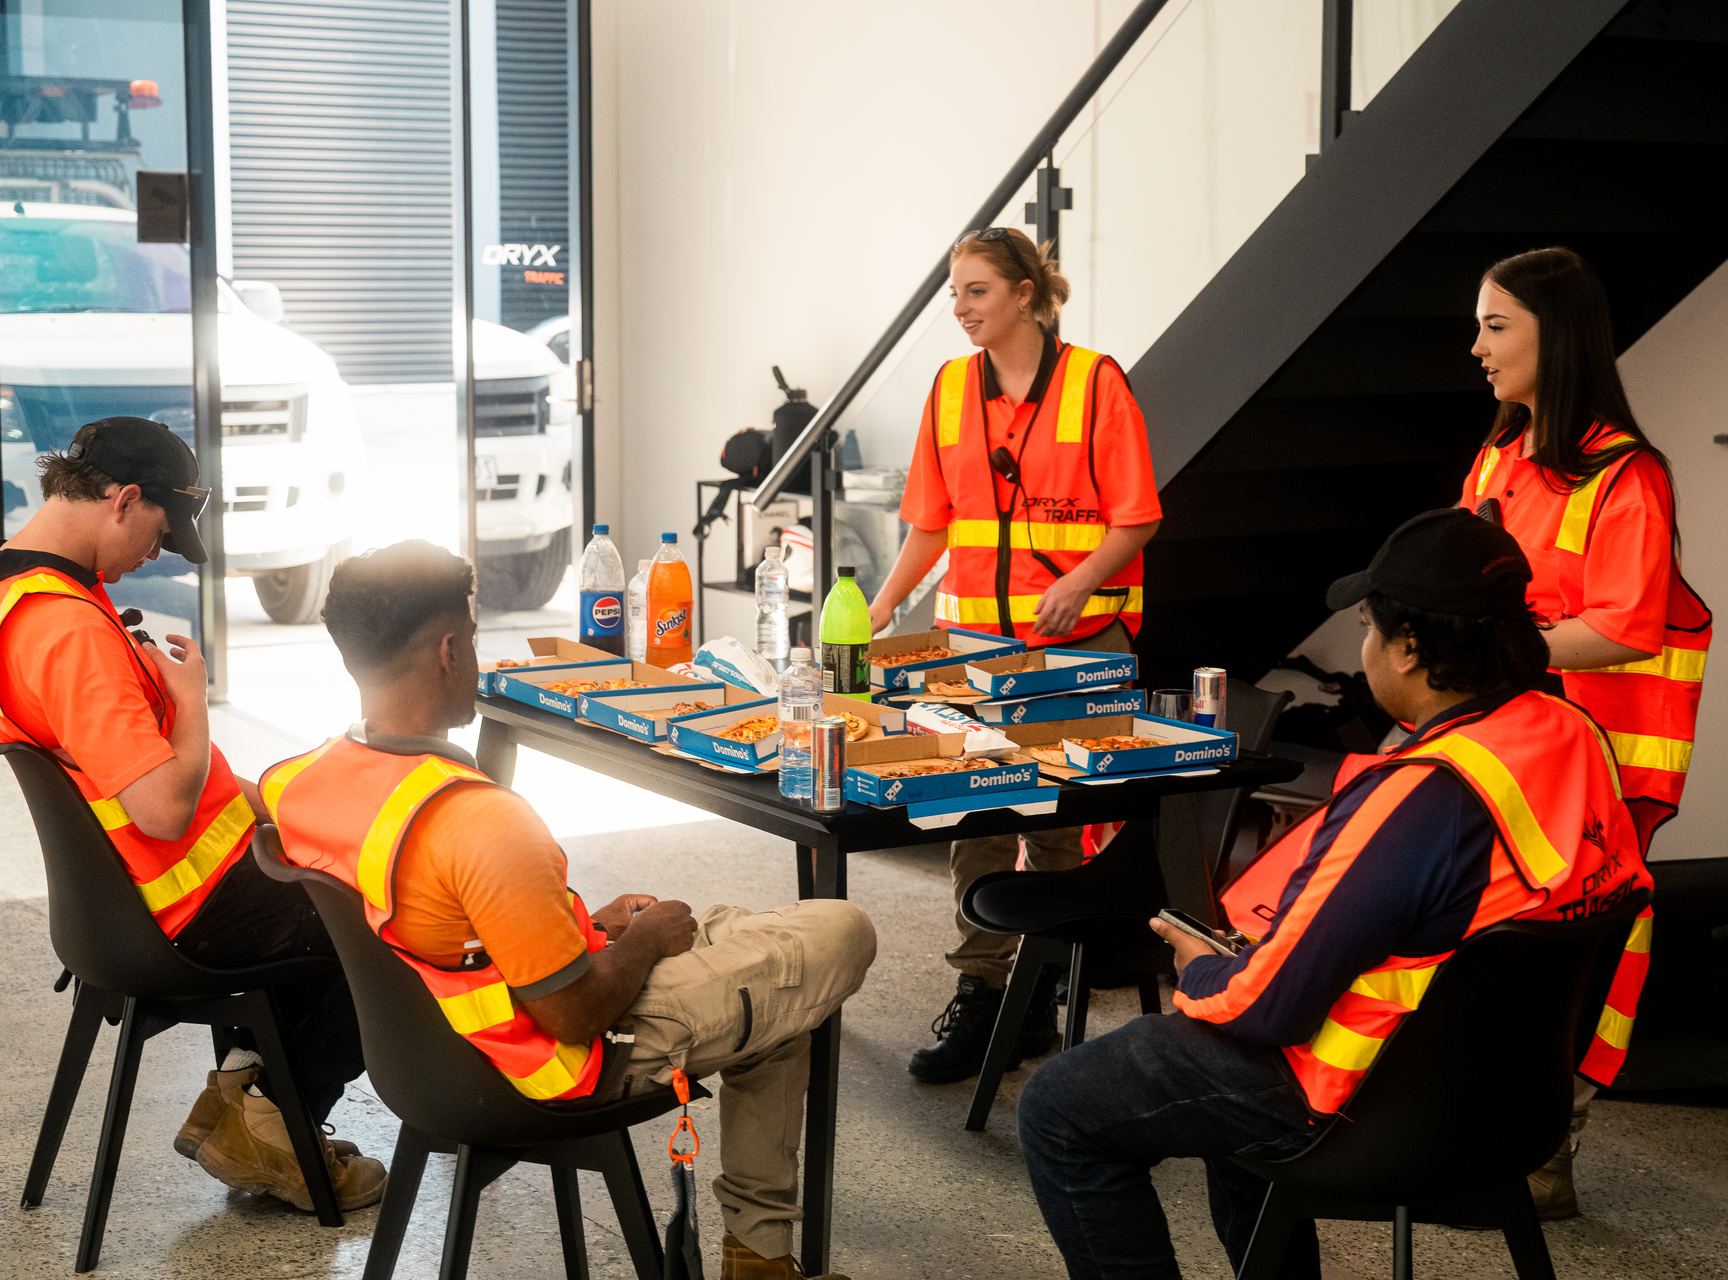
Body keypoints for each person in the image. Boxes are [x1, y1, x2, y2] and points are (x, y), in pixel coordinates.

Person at [1017, 508, 1653, 1280]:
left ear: (1410, 647)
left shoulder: (1422, 795)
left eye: (1369, 627)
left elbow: (1266, 1008)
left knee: (1059, 1108)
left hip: (1372, 1104)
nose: (1365, 648)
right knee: (1217, 1105)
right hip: (1512, 1106)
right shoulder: (1572, 735)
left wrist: (1200, 967)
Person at [266, 541, 875, 1280]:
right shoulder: (482, 820)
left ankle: (759, 1258)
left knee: (744, 938)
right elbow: (575, 1012)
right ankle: (760, 1260)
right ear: (451, 649)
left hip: (427, 1061)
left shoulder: (299, 782)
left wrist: (594, 926)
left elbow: (449, 921)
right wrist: (642, 940)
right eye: (476, 638)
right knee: (838, 932)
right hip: (551, 1059)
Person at [0, 417, 382, 1212]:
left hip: (146, 899)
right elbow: (167, 808)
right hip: (182, 906)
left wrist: (281, 808)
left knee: (333, 862)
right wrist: (192, 704)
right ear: (124, 498)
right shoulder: (65, 630)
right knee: (378, 913)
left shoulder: (33, 593)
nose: (157, 554)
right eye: (160, 532)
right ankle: (274, 1123)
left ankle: (251, 1102)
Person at [865, 226, 1163, 1084]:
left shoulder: (1097, 383)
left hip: (1078, 641)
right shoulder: (950, 389)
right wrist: (881, 609)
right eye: (954, 294)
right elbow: (932, 520)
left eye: (976, 292)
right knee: (976, 815)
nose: (959, 310)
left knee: (1062, 824)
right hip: (974, 647)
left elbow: (1136, 515)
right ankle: (985, 991)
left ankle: (1044, 991)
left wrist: (1083, 580)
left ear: (1025, 295)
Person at [1463, 245, 1707, 1214]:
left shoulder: (1627, 475)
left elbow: (1624, 625)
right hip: (1503, 753)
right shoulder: (1499, 454)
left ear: (1554, 337)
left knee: (1568, 962)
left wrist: (1494, 648)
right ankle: (1481, 1130)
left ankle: (1544, 1155)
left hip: (1594, 776)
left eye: (1495, 325)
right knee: (1485, 948)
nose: (1475, 346)